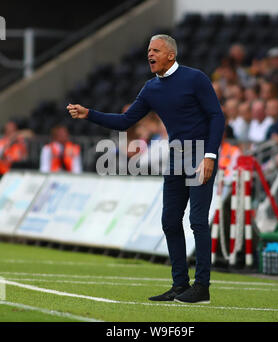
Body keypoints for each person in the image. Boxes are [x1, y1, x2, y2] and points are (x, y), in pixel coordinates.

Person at [67, 34, 225, 304]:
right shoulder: (151, 89)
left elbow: (216, 116)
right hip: (175, 157)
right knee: (169, 221)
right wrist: (89, 113)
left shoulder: (195, 78)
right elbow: (126, 120)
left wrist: (210, 155)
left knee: (197, 221)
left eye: (155, 50)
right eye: (148, 50)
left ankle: (202, 287)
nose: (149, 54)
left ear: (171, 55)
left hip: (200, 154)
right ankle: (179, 285)